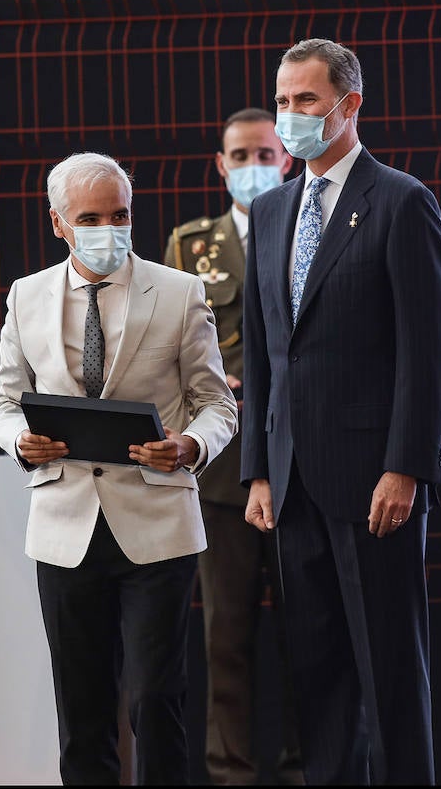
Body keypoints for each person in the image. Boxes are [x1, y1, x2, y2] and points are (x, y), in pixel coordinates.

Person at [240, 39, 441, 784]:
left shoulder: (401, 201)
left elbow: (429, 355)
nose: (292, 115)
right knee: (319, 683)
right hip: (292, 484)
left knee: (391, 678)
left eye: (307, 100)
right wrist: (258, 474)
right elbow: (270, 353)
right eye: (284, 101)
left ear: (349, 105)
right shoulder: (269, 212)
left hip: (376, 486)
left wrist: (406, 468)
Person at [0, 151, 237, 785]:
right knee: (82, 710)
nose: (107, 229)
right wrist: (20, 441)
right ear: (58, 224)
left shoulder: (180, 291)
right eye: (90, 217)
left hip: (158, 522)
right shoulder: (27, 295)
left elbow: (217, 404)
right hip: (64, 525)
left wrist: (190, 446)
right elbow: (5, 401)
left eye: (119, 214)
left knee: (156, 701)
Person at [163, 107, 304, 785]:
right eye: (240, 155)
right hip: (221, 475)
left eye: (264, 154)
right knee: (226, 638)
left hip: (300, 464)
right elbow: (167, 348)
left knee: (307, 634)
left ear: (287, 159)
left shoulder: (313, 229)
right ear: (221, 165)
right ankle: (232, 774)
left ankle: (306, 768)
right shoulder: (190, 246)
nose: (253, 166)